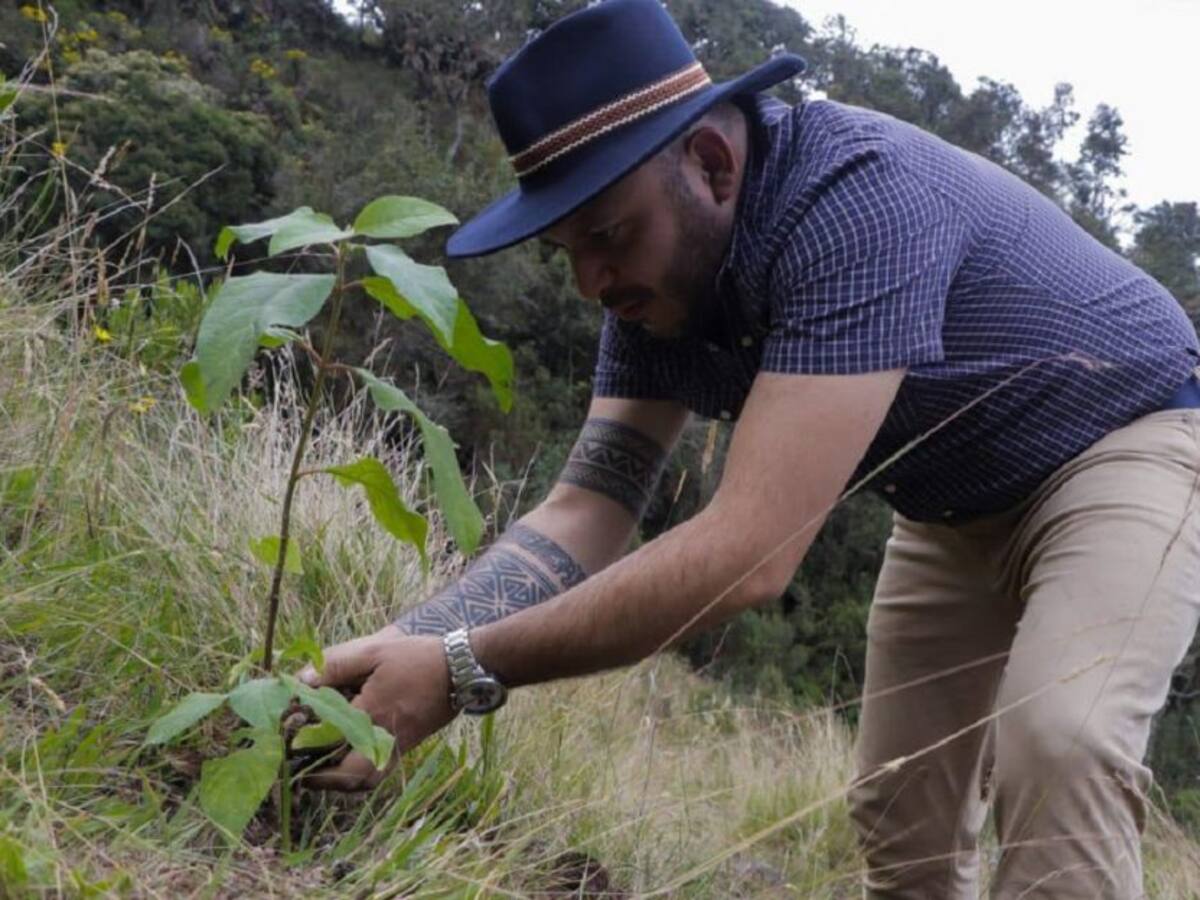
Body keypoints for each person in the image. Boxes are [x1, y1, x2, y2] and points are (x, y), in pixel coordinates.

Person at [297, 0, 1200, 895]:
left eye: (606, 235)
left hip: (1129, 441)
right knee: (902, 806)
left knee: (1061, 738)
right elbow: (584, 510)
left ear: (714, 163)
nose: (589, 283)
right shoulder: (654, 285)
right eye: (569, 249)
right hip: (952, 506)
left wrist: (459, 669)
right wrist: (396, 650)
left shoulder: (857, 202)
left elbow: (749, 556)